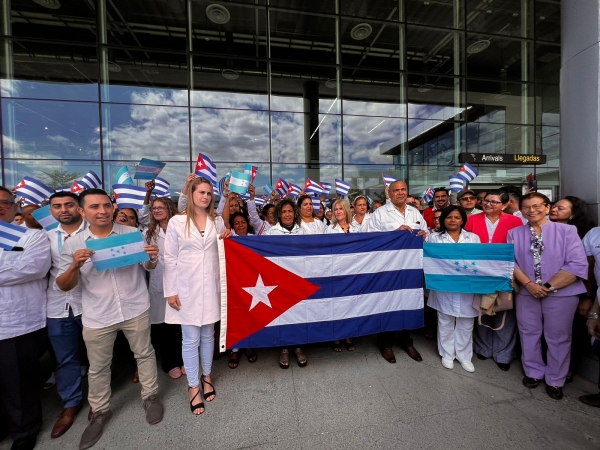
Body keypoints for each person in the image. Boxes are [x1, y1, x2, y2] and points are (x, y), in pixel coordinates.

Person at [56, 189, 163, 449]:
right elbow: (64, 285)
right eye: (94, 207)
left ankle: (150, 396)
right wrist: (74, 266)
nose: (102, 211)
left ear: (113, 207)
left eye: (106, 205)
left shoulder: (130, 234)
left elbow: (147, 267)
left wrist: (151, 259)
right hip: (98, 313)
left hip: (134, 306)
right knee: (98, 367)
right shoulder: (73, 244)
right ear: (83, 212)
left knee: (145, 354)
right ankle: (101, 411)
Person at [509, 192, 588, 400]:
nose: (531, 210)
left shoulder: (567, 231)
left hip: (562, 293)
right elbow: (511, 263)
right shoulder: (514, 233)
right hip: (527, 292)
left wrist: (547, 286)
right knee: (528, 332)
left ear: (547, 207)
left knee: (559, 337)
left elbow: (577, 264)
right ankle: (533, 372)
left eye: (536, 206)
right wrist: (529, 285)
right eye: (526, 207)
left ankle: (555, 379)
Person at [163, 177, 224, 416]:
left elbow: (222, 250)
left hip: (210, 286)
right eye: (201, 192)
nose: (206, 197)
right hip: (185, 288)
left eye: (209, 193)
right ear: (191, 193)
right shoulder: (177, 222)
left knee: (208, 335)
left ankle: (207, 376)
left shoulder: (216, 221)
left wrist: (227, 238)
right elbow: (170, 258)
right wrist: (171, 291)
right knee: (190, 339)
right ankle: (193, 386)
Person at [0, 186, 51, 450]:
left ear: (13, 205)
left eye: (3, 202)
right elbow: (15, 269)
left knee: (19, 383)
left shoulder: (32, 237)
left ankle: (25, 431)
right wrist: (9, 268)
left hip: (17, 324)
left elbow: (33, 268)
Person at [367, 180, 428, 364]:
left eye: (403, 190)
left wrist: (425, 235)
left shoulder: (415, 212)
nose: (400, 193)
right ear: (389, 193)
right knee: (388, 304)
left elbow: (426, 232)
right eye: (396, 190)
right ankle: (386, 344)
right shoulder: (379, 213)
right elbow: (371, 239)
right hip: (388, 269)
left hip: (410, 269)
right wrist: (395, 234)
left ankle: (406, 341)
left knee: (409, 302)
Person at [465, 190, 523, 371]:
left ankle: (504, 353)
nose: (488, 204)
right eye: (486, 201)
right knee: (481, 310)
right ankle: (483, 348)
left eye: (494, 202)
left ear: (505, 205)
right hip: (479, 272)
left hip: (505, 272)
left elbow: (519, 248)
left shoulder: (515, 221)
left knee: (504, 311)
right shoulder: (472, 219)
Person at [45, 192, 88, 439]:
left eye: (69, 205)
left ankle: (98, 399)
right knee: (65, 358)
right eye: (57, 206)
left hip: (90, 303)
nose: (64, 210)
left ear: (79, 209)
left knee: (100, 354)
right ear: (51, 211)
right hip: (58, 307)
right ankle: (70, 404)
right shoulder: (45, 238)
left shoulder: (94, 234)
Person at [549, 195, 597, 383]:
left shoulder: (582, 234)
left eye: (561, 208)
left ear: (574, 214)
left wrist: (588, 296)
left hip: (573, 292)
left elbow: (587, 268)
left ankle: (566, 369)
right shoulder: (542, 229)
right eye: (554, 206)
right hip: (545, 290)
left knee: (570, 332)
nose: (554, 209)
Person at [427, 206, 480, 372]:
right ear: (443, 220)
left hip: (467, 287)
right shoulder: (434, 238)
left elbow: (478, 262)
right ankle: (447, 354)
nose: (453, 220)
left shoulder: (473, 238)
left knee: (466, 323)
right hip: (444, 287)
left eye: (457, 217)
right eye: (449, 217)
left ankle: (464, 356)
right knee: (445, 322)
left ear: (463, 220)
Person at [143, 197, 184, 379]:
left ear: (169, 208)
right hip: (159, 283)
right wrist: (152, 260)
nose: (157, 210)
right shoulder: (148, 233)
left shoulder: (181, 228)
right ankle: (170, 363)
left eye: (161, 207)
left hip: (181, 282)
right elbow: (145, 264)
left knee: (181, 326)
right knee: (163, 327)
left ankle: (183, 360)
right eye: (154, 208)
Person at [265, 199, 308, 368]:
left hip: (298, 280)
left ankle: (298, 346)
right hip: (279, 281)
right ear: (279, 214)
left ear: (295, 213)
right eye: (284, 212)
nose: (287, 214)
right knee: (283, 314)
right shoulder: (271, 233)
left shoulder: (303, 231)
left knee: (298, 313)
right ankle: (283, 348)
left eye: (290, 211)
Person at [223, 211, 258, 369]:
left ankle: (249, 344)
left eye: (243, 222)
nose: (240, 225)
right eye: (236, 223)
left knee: (250, 314)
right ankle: (235, 349)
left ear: (248, 223)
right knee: (236, 314)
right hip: (235, 282)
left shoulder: (255, 239)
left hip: (254, 282)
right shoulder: (230, 240)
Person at [327, 199, 359, 352]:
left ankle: (348, 335)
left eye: (341, 208)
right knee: (337, 305)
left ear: (346, 210)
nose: (338, 211)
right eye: (336, 209)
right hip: (336, 272)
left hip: (353, 272)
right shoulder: (329, 229)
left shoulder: (356, 228)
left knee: (350, 304)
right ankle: (336, 337)